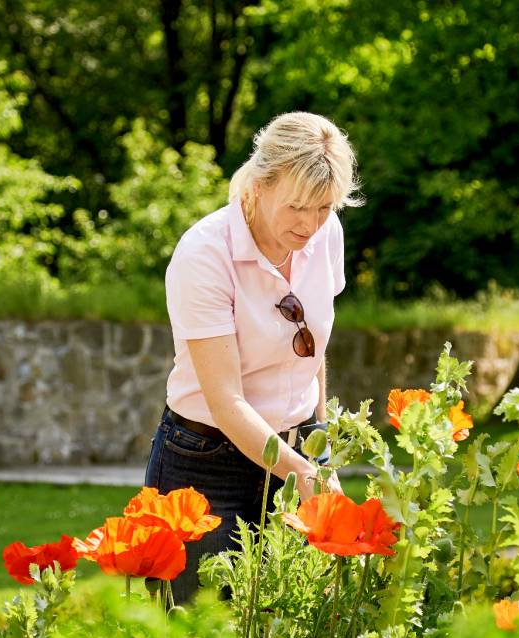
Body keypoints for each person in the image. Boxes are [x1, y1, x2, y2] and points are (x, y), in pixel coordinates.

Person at [144, 111, 360, 603]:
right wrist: (306, 472)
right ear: (260, 184)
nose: (310, 225)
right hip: (207, 465)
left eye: (325, 208)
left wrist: (317, 442)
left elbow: (313, 344)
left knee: (298, 632)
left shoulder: (327, 234)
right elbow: (225, 400)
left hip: (299, 449)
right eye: (297, 207)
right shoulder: (204, 253)